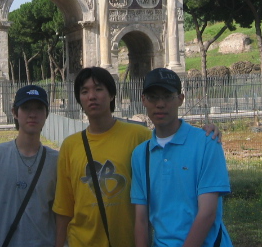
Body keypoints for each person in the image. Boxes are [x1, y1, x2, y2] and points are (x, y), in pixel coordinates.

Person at [53, 67, 221, 247]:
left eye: (99, 89)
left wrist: (204, 135)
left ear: (112, 95)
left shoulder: (140, 138)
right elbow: (64, 207)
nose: (92, 96)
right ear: (79, 98)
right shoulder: (70, 146)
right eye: (84, 91)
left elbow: (169, 142)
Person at [131, 68, 233, 247]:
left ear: (180, 99)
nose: (160, 104)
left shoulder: (207, 143)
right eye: (153, 97)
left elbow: (207, 213)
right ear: (143, 100)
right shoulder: (141, 154)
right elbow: (141, 219)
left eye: (168, 96)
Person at [0, 85, 58, 247]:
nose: (32, 114)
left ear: (46, 114)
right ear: (15, 112)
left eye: (39, 108)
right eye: (26, 108)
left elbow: (62, 214)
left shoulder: (57, 161)